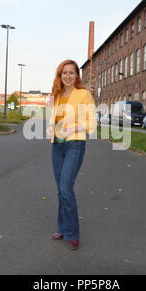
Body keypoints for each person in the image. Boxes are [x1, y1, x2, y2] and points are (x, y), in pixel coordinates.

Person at [46, 59, 96, 250]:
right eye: (64, 73)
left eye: (71, 73)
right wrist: (51, 127)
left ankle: (73, 234)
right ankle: (62, 228)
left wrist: (74, 127)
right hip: (57, 146)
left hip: (74, 144)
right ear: (60, 75)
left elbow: (92, 123)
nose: (68, 76)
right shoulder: (56, 95)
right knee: (60, 190)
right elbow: (55, 119)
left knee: (66, 188)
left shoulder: (84, 94)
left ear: (77, 75)